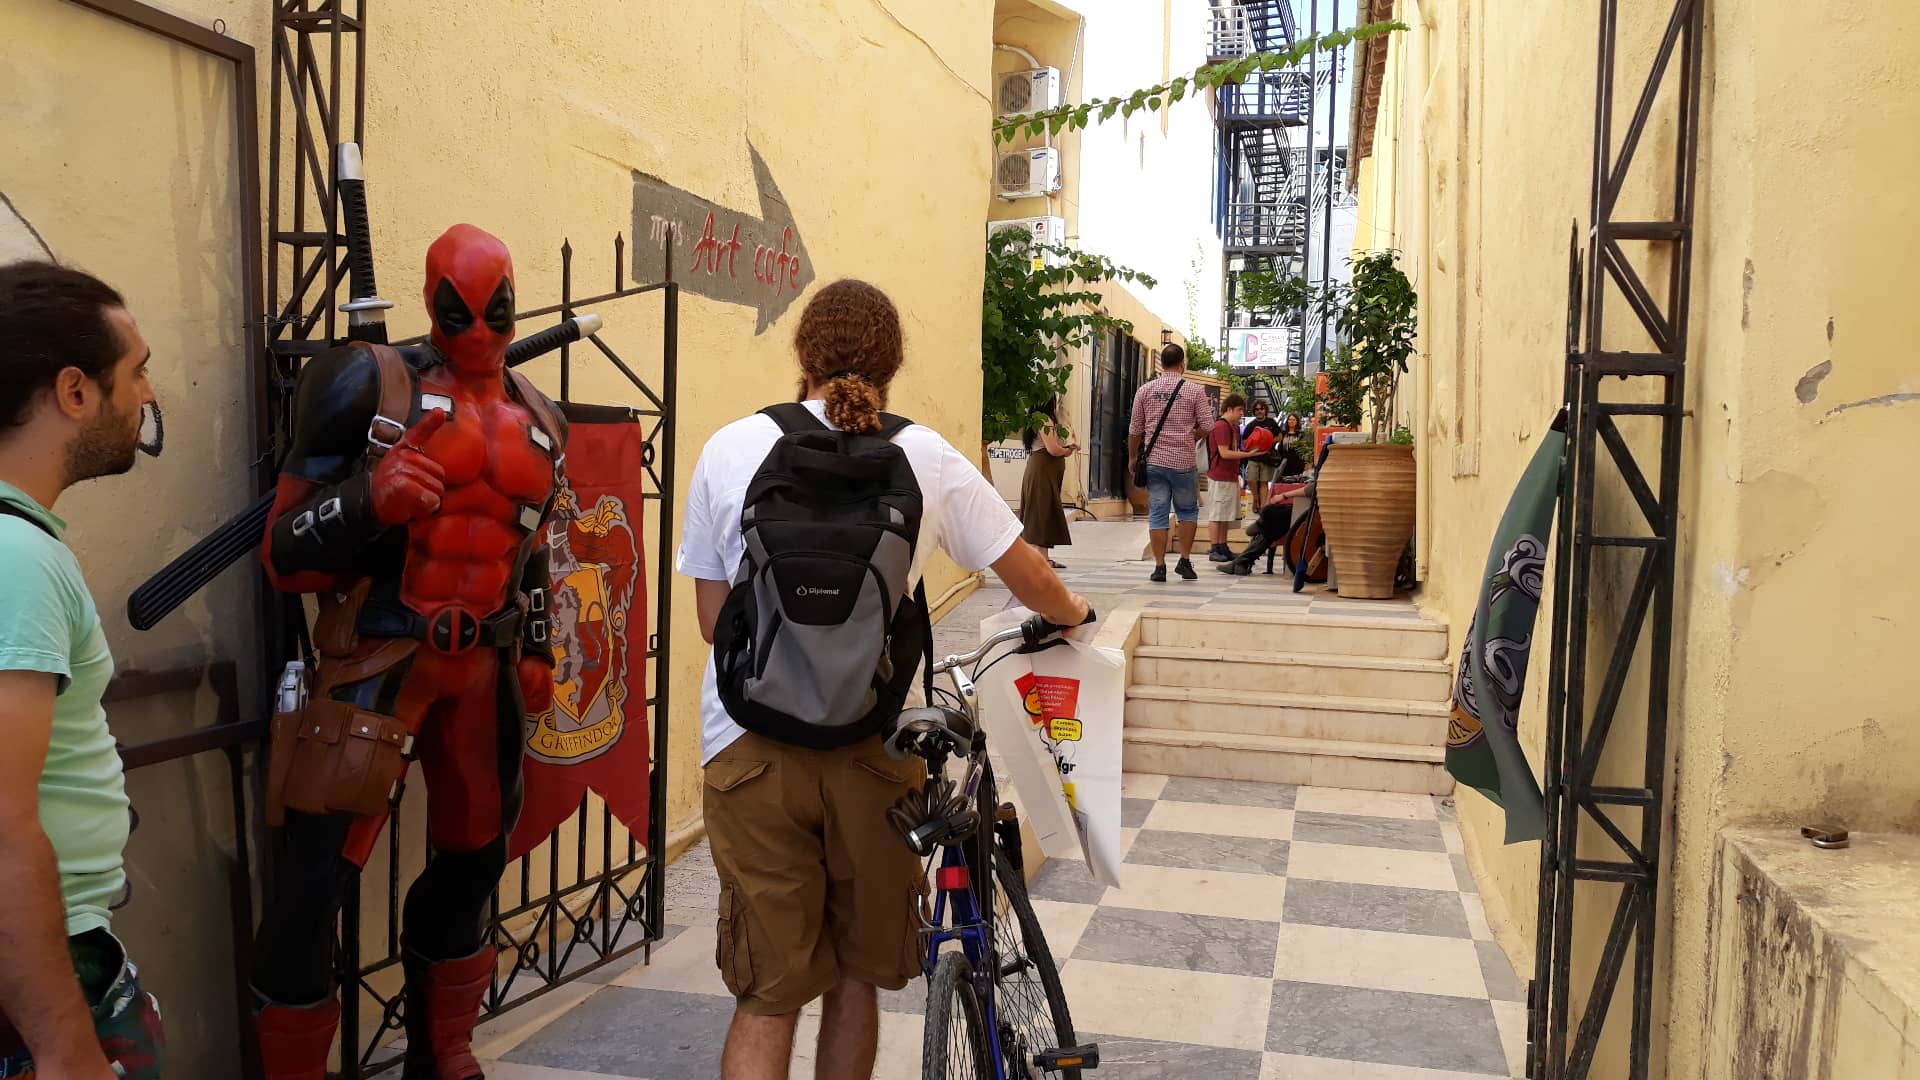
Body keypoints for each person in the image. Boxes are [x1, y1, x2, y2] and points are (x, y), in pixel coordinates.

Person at [678, 279, 1089, 1080]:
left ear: (802, 353)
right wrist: (1074, 612)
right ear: (893, 365)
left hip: (749, 752)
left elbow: (711, 621)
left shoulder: (730, 447)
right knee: (855, 977)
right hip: (871, 754)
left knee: (767, 995)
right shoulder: (926, 456)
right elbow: (1030, 575)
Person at [248, 225, 567, 1080]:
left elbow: (533, 544)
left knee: (476, 860)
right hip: (378, 657)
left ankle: (444, 1051)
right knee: (313, 883)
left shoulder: (542, 418)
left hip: (484, 668)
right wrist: (369, 502)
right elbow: (281, 554)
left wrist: (538, 644)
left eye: (497, 310)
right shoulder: (366, 381)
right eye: (460, 312)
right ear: (432, 302)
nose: (480, 330)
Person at [0, 261, 165, 1079]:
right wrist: (66, 1049)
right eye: (135, 371)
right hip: (39, 971)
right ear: (74, 391)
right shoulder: (16, 559)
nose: (148, 394)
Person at [1126, 343, 1215, 582]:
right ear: (1182, 364)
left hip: (1154, 461)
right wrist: (1192, 435)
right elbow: (1208, 426)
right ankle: (1184, 561)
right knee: (1187, 511)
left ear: (1161, 364)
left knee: (1158, 512)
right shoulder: (1195, 390)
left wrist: (1133, 457)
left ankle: (1159, 567)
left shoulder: (1145, 390)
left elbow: (1135, 430)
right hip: (1184, 462)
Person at [1018, 398, 1076, 568]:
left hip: (1044, 470)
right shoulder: (1045, 419)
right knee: (1041, 511)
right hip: (1043, 470)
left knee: (1043, 510)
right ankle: (1039, 559)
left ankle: (1043, 558)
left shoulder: (1038, 419)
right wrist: (1067, 451)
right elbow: (1053, 449)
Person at [1204, 393, 1258, 562]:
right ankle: (1214, 548)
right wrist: (1247, 454)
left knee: (1225, 515)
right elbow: (1224, 453)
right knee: (1217, 514)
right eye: (1239, 410)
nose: (1242, 413)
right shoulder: (1221, 426)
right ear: (1229, 409)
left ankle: (1222, 546)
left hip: (1230, 475)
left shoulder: (1233, 427)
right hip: (1219, 476)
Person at [1241, 399, 1286, 510]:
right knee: (1251, 479)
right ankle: (1256, 498)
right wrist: (1254, 445)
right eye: (1257, 409)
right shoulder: (1251, 425)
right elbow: (1244, 441)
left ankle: (1263, 507)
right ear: (1254, 411)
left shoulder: (1271, 422)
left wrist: (1268, 442)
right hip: (1253, 457)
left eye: (1261, 408)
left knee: (1264, 482)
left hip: (1267, 457)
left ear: (1265, 410)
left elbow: (1280, 436)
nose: (1259, 411)